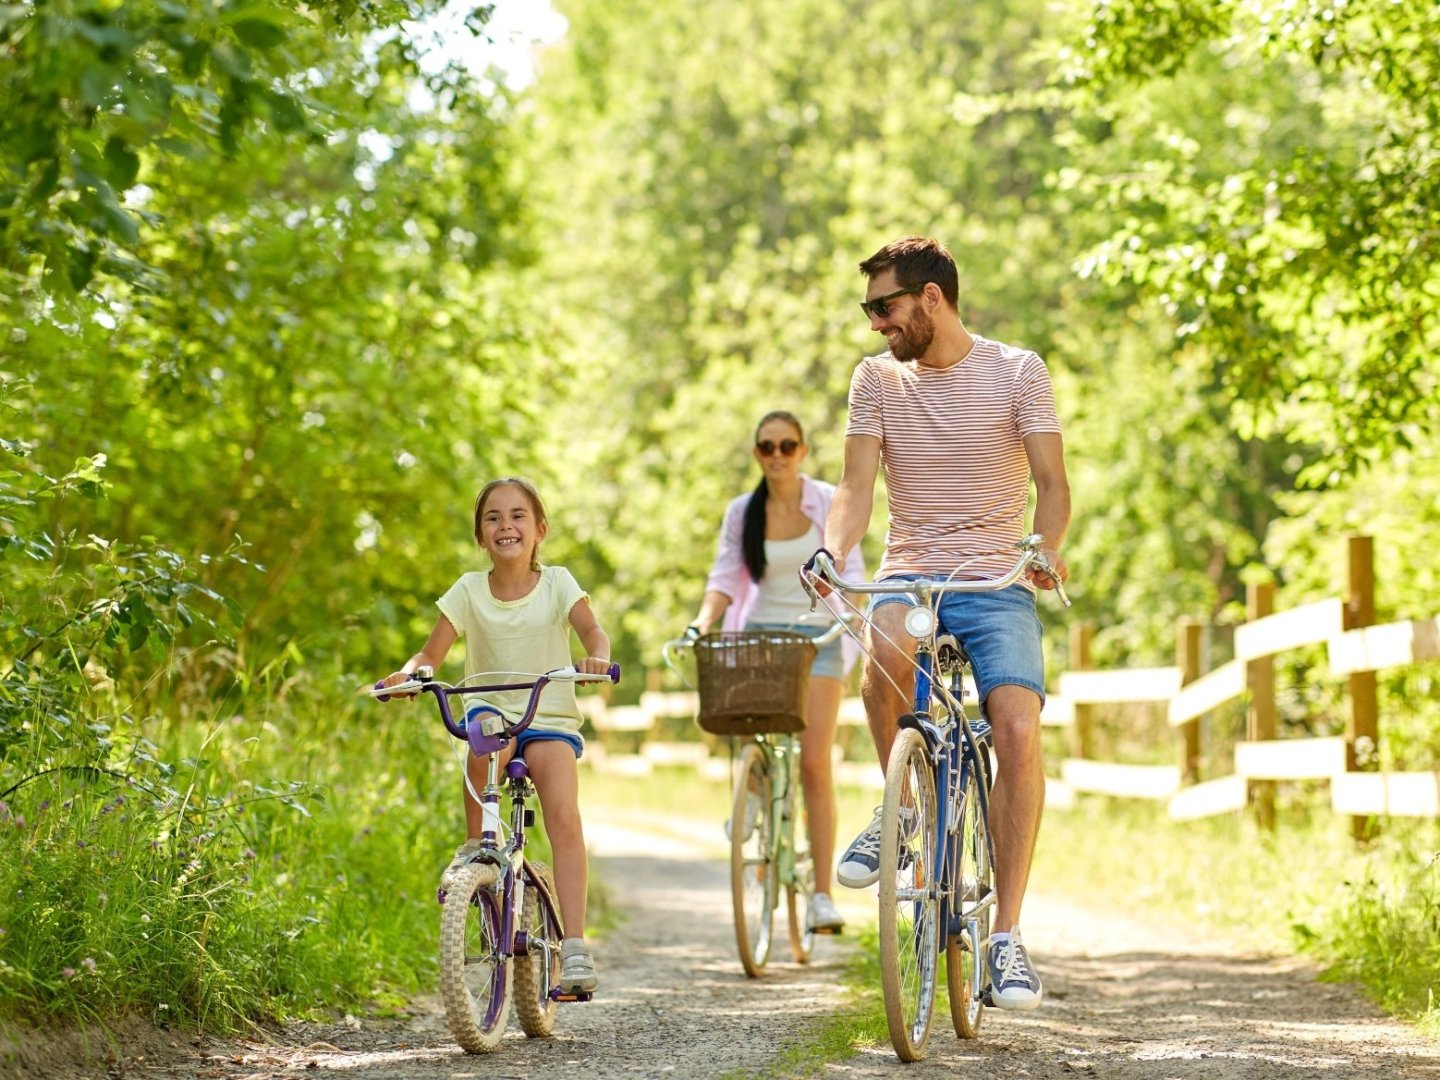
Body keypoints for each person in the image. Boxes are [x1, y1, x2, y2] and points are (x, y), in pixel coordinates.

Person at [818, 236, 1071, 1011]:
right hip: (912, 571)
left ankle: (1007, 939)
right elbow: (856, 490)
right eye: (869, 309)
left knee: (1018, 725)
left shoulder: (1019, 370)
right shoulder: (877, 381)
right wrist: (833, 555)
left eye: (884, 307)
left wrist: (1045, 548)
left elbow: (1054, 484)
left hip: (998, 580)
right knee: (883, 650)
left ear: (931, 299)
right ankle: (901, 807)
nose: (874, 325)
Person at [379, 476, 612, 996]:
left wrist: (596, 654)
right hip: (491, 707)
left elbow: (592, 631)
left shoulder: (558, 583)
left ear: (539, 530)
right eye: (493, 518)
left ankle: (574, 945)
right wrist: (410, 674)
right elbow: (429, 655)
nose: (505, 525)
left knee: (563, 810)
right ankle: (477, 850)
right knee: (482, 741)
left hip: (546, 712)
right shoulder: (466, 590)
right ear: (480, 536)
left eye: (517, 516)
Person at [687, 411, 867, 934]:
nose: (778, 455)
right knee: (750, 732)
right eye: (768, 447)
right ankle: (753, 798)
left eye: (788, 446)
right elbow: (724, 574)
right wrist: (703, 621)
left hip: (818, 639)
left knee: (814, 763)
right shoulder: (744, 512)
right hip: (760, 634)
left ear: (803, 451)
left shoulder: (828, 501)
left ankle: (821, 897)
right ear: (757, 454)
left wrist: (847, 605)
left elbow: (852, 572)